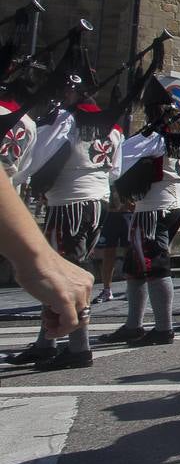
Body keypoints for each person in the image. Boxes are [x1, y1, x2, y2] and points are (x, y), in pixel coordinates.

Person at [5, 74, 123, 369]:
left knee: (63, 273)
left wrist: (20, 184)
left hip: (68, 203)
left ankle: (78, 348)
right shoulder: (113, 128)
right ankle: (46, 343)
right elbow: (115, 171)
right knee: (71, 268)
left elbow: (38, 158)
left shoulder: (67, 121)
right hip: (98, 201)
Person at [100, 78, 180, 346]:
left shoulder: (154, 139)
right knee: (136, 267)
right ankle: (133, 324)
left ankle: (163, 328)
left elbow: (117, 160)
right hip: (173, 207)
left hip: (153, 210)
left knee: (156, 266)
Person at [0, 172, 93, 341]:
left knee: (65, 280)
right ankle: (68, 346)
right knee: (70, 277)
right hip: (94, 199)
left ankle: (69, 347)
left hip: (66, 203)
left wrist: (38, 259)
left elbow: (28, 169)